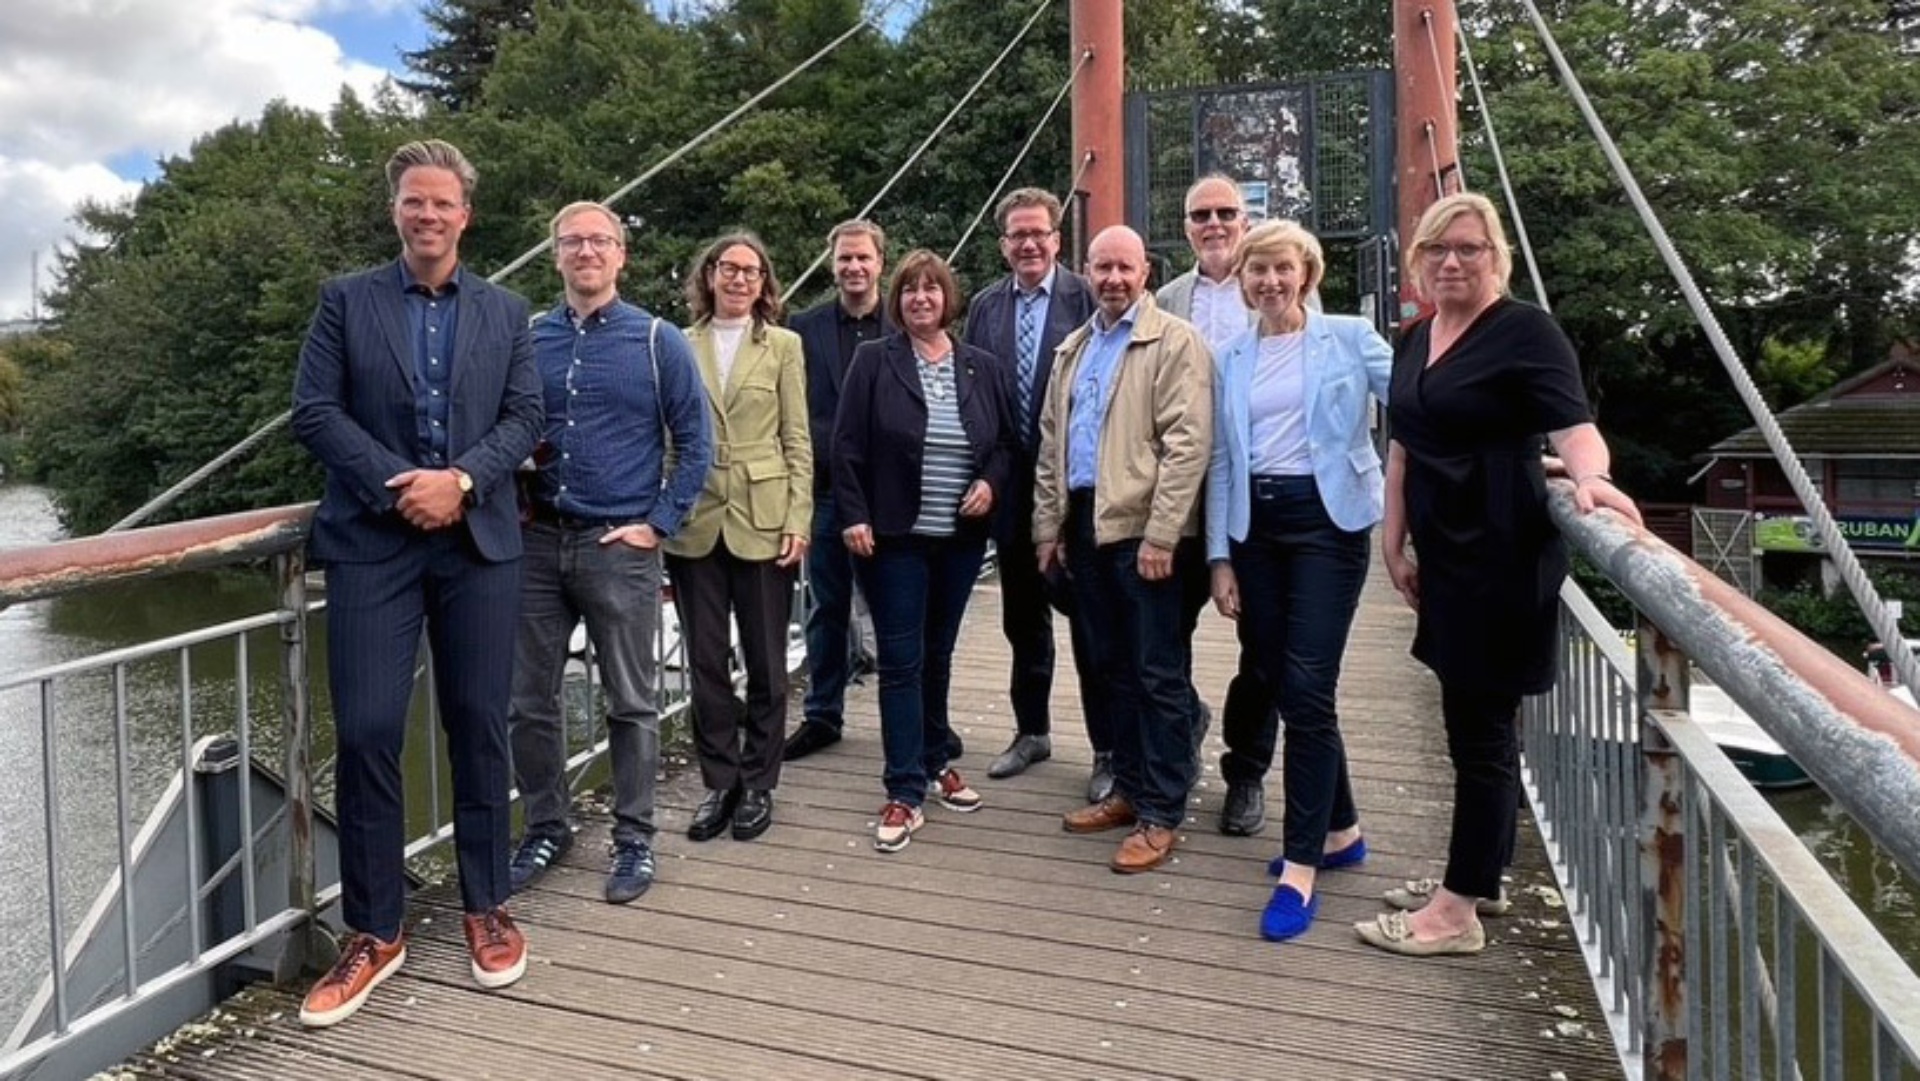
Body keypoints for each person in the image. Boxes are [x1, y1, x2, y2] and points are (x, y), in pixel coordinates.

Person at [290, 139, 542, 1027]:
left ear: (465, 215)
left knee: (477, 723)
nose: (427, 215)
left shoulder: (508, 311)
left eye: (442, 203)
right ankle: (375, 930)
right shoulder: (345, 302)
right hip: (372, 541)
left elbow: (526, 416)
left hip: (478, 542)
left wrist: (463, 480)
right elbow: (313, 410)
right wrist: (404, 483)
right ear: (395, 210)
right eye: (412, 202)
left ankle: (486, 902)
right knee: (363, 731)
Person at [1357, 192, 1641, 956]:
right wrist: (1394, 541)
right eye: (1438, 249)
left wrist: (1588, 479)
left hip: (1501, 554)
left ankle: (1456, 913)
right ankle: (1479, 873)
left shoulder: (1525, 330)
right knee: (1472, 730)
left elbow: (1573, 426)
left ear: (1496, 257)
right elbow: (1403, 448)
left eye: (1470, 249)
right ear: (1417, 259)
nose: (1452, 261)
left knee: (1479, 734)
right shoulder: (1415, 338)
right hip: (1444, 557)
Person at [505, 201, 712, 905]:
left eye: (600, 241)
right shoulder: (528, 338)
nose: (586, 252)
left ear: (621, 255)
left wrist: (658, 524)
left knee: (632, 702)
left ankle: (634, 838)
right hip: (536, 540)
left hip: (618, 545)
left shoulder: (658, 341)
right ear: (555, 255)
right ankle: (547, 823)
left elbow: (697, 443)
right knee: (526, 701)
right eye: (573, 242)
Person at [1204, 220, 1390, 940]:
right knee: (1283, 680)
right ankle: (1342, 830)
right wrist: (1220, 556)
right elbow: (1223, 459)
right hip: (1258, 529)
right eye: (1257, 271)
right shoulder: (1233, 355)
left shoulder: (1348, 336)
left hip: (1329, 525)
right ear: (1243, 279)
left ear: (1306, 272)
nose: (1270, 282)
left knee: (1308, 689)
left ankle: (1303, 864)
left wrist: (1520, 450)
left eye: (1282, 268)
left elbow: (1421, 400)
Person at [1036, 226, 1213, 875]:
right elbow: (1052, 446)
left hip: (1144, 528)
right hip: (1087, 524)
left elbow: (1187, 444)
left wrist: (1165, 532)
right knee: (1108, 666)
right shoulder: (1074, 348)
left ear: (1145, 271)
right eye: (1102, 267)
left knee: (1157, 671)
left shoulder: (1174, 342)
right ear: (1087, 271)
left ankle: (1163, 809)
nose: (1113, 278)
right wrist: (1045, 530)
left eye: (1125, 267)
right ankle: (1132, 787)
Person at [835, 250, 1013, 852]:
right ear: (898, 301)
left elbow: (1006, 443)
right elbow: (847, 445)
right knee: (902, 660)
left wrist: (989, 481)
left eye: (931, 289)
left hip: (960, 541)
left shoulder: (979, 366)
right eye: (909, 290)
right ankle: (904, 789)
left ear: (948, 298)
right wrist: (855, 515)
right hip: (895, 538)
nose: (920, 299)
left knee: (939, 653)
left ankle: (935, 761)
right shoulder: (873, 361)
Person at [664, 233, 812, 844]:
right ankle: (719, 782)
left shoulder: (782, 346)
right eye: (728, 268)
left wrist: (798, 519)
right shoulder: (676, 343)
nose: (739, 280)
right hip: (697, 517)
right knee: (704, 664)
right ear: (709, 276)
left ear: (764, 283)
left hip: (763, 514)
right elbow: (668, 433)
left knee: (768, 663)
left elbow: (797, 439)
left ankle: (759, 782)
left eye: (751, 271)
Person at [959, 188, 1105, 792]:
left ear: (1057, 238)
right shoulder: (986, 307)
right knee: (1023, 617)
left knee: (1092, 620)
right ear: (1003, 245)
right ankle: (1032, 730)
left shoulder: (1089, 296)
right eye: (1017, 235)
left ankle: (1110, 749)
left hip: (1077, 481)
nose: (1028, 243)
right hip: (1013, 484)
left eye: (1038, 233)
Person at [785, 219, 890, 762]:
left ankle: (914, 716)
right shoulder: (802, 327)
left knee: (896, 610)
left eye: (863, 258)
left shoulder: (906, 323)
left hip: (891, 496)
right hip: (825, 492)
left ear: (880, 263)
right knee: (826, 609)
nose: (854, 267)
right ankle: (823, 713)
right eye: (845, 259)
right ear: (833, 265)